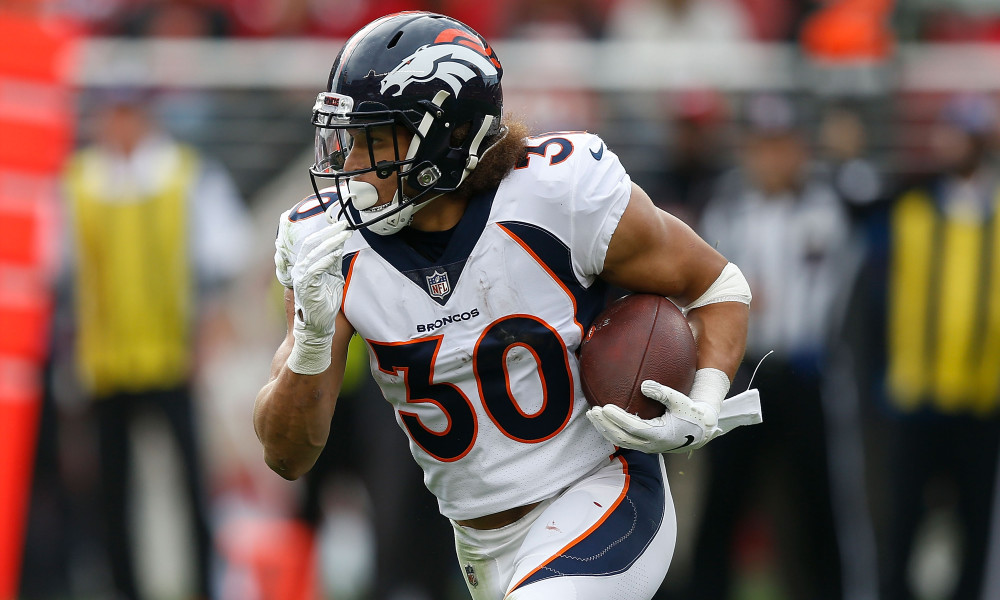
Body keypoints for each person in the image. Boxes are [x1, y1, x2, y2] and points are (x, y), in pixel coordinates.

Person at [252, 12, 761, 600]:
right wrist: (312, 343)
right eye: (348, 136)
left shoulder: (558, 194)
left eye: (376, 137)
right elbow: (287, 454)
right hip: (479, 548)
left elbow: (717, 286)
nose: (349, 163)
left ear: (448, 137)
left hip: (603, 495)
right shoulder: (330, 244)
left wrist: (704, 399)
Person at [62, 89, 253, 600]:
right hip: (106, 362)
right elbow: (63, 271)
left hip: (173, 357)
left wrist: (209, 330)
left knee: (192, 485)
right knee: (111, 491)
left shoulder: (184, 174)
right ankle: (122, 587)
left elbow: (223, 257)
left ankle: (203, 585)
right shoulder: (80, 182)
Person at [681, 93, 855, 600]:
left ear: (800, 150)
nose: (773, 159)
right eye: (763, 147)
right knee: (725, 500)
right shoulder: (727, 209)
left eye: (782, 147)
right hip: (744, 370)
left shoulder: (827, 204)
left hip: (805, 372)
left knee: (818, 502)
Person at [852, 92, 1000, 600]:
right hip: (915, 396)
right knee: (902, 527)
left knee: (976, 529)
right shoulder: (909, 210)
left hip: (982, 397)